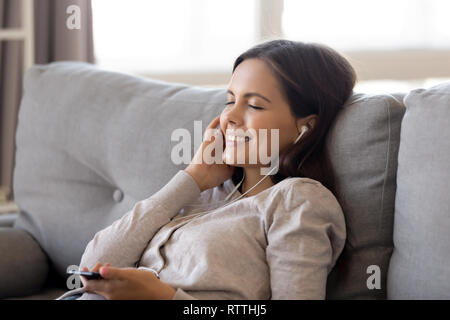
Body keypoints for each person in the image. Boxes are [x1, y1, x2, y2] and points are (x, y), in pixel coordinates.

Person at [57, 39, 356, 300]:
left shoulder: (297, 201)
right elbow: (93, 264)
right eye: (230, 101)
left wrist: (164, 297)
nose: (231, 117)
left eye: (254, 105)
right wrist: (192, 177)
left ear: (305, 126)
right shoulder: (203, 192)